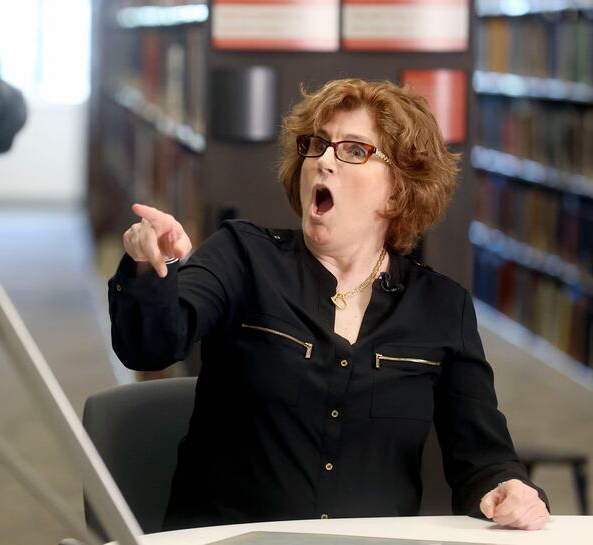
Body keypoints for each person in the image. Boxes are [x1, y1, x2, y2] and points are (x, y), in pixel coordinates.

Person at [107, 79, 550, 531]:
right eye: (317, 145)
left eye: (354, 150)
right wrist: (152, 268)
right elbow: (150, 345)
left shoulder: (441, 307)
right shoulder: (241, 255)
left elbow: (484, 460)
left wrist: (507, 487)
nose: (322, 160)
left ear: (397, 191)